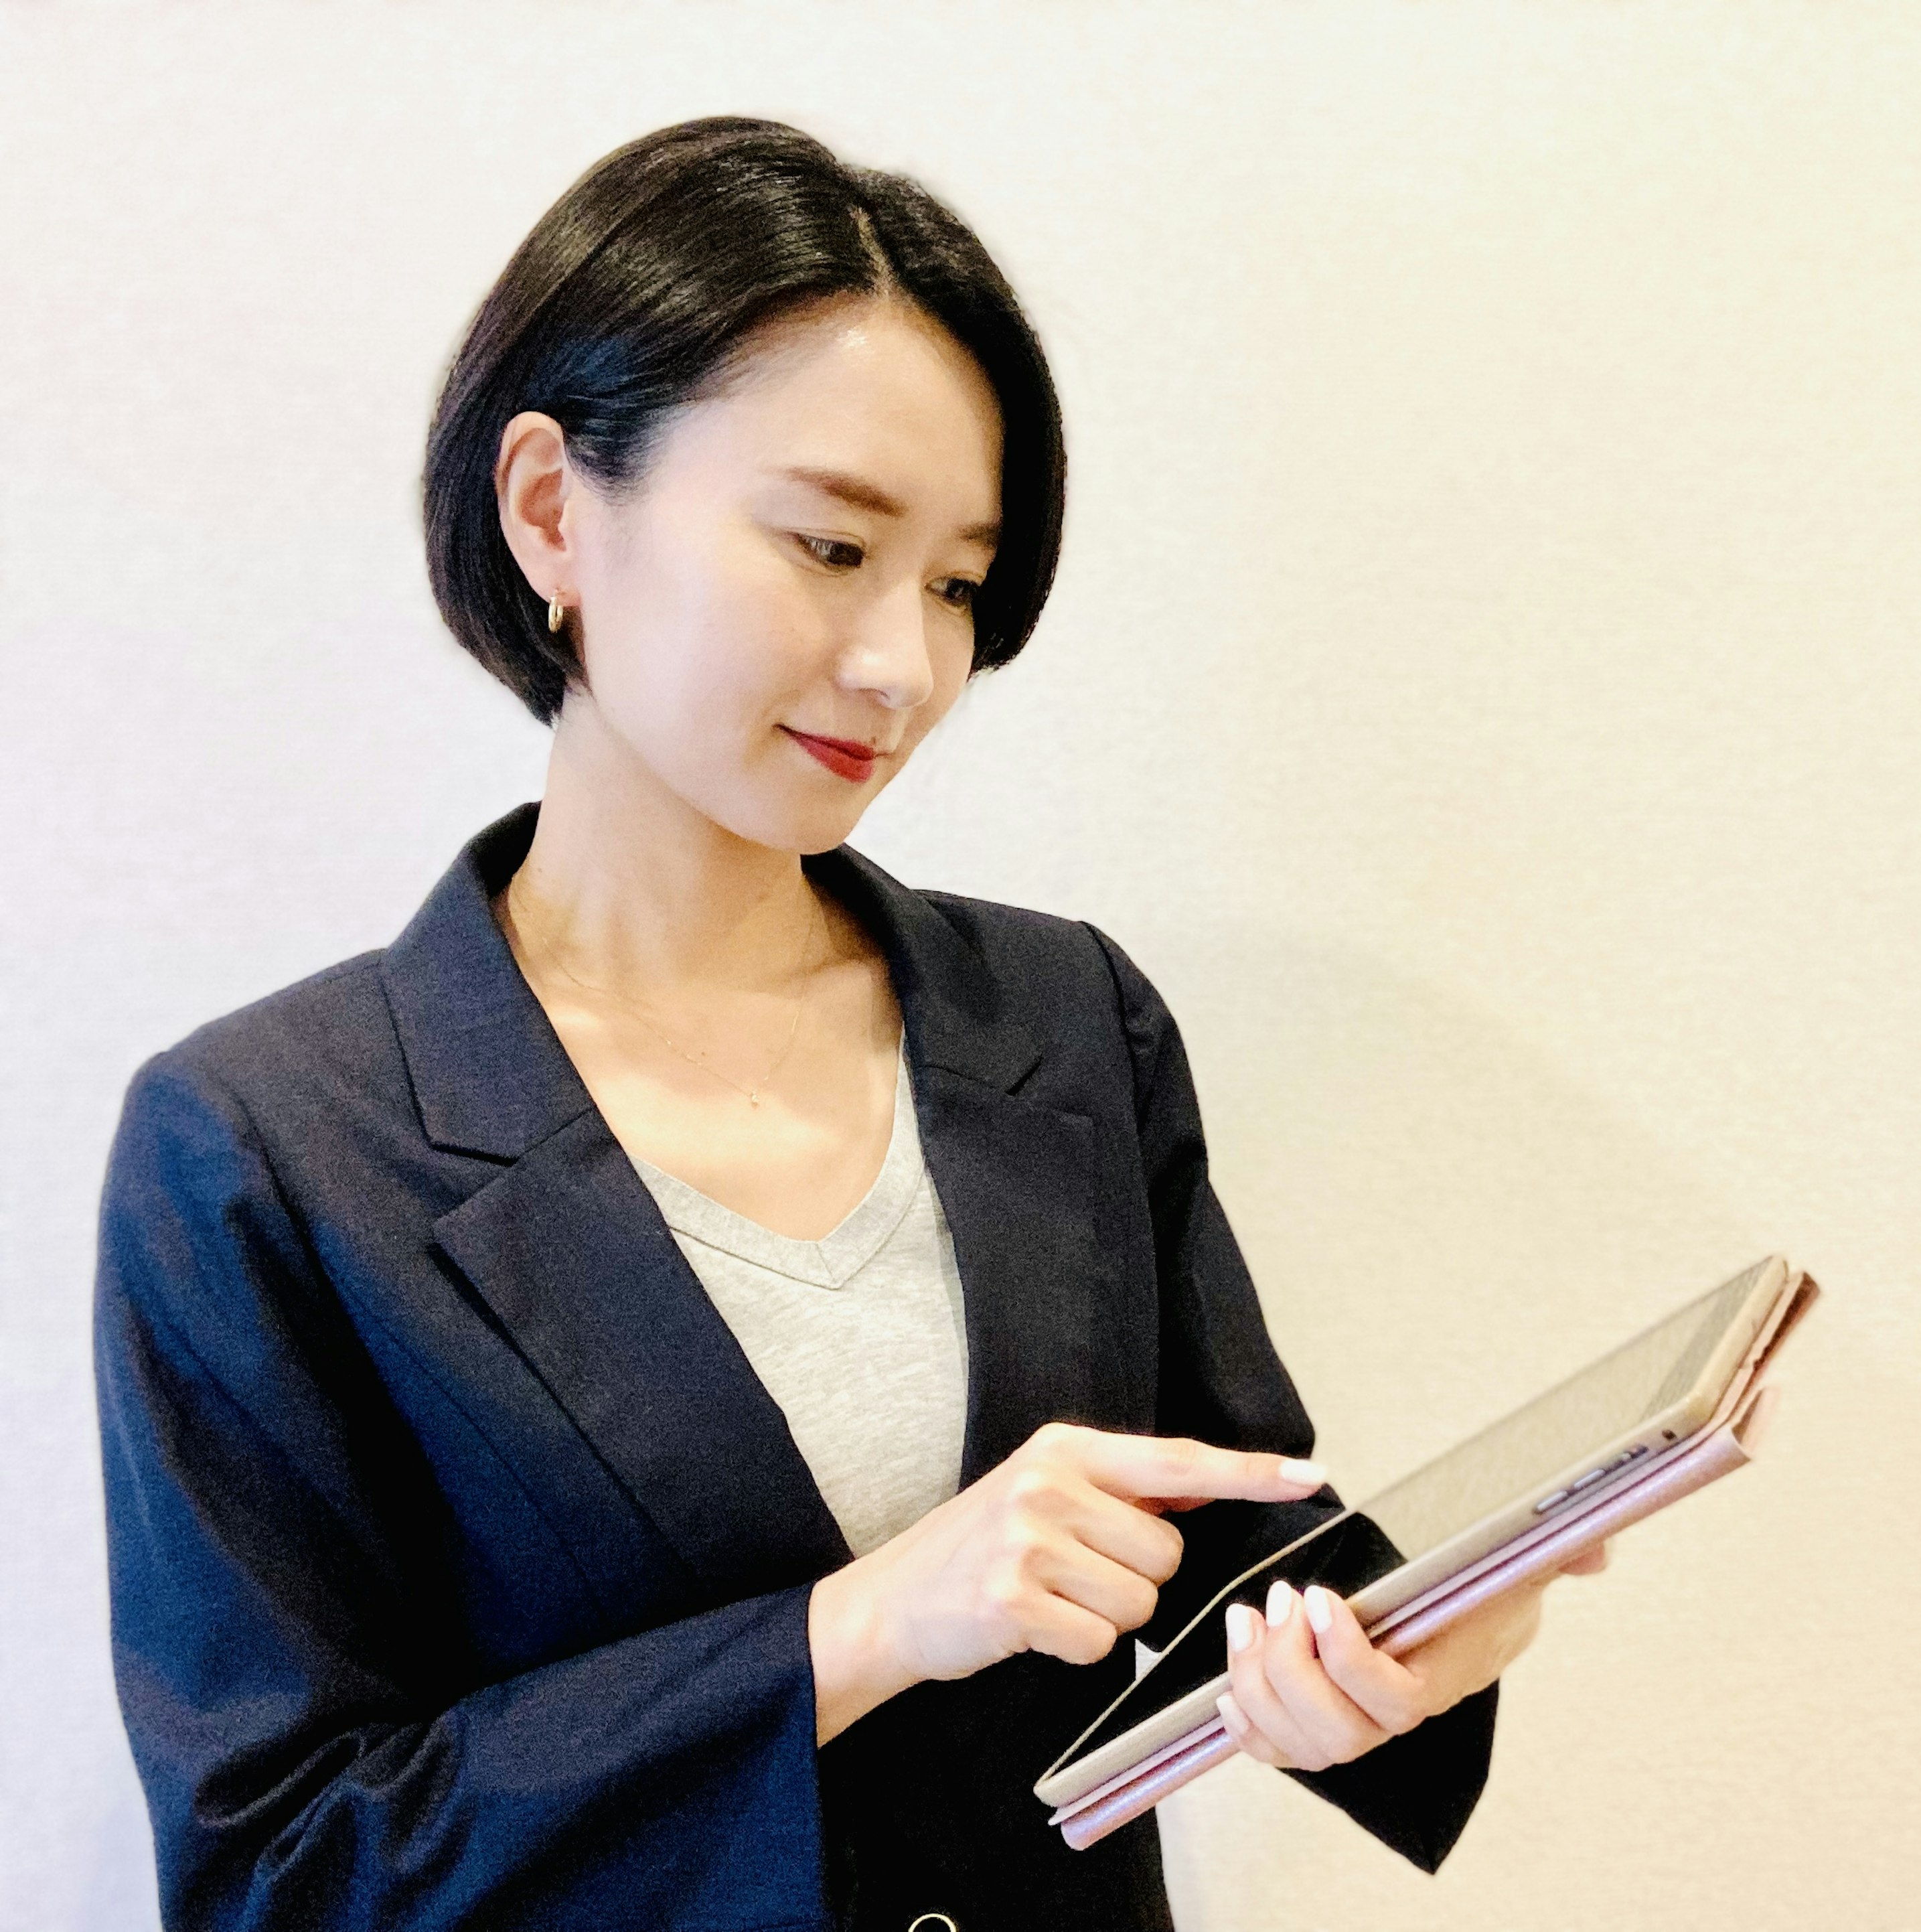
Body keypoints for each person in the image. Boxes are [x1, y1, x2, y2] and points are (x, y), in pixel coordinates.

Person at [92, 116, 1605, 1932]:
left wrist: (1416, 1634)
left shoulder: (1064, 1022)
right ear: (552, 509)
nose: (905, 664)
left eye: (959, 584)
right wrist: (858, 1628)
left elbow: (1227, 1551)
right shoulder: (267, 1149)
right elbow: (280, 1869)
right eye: (829, 545)